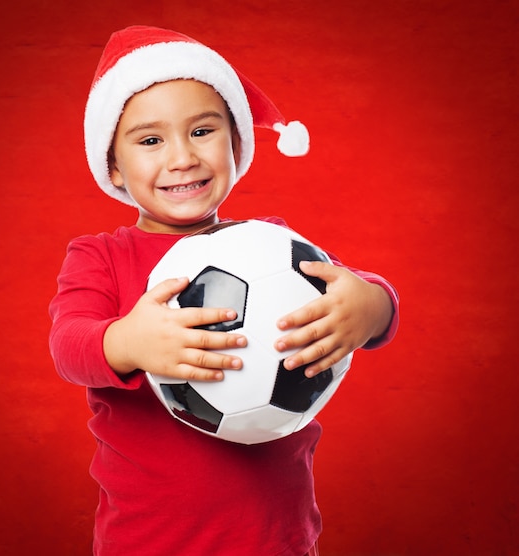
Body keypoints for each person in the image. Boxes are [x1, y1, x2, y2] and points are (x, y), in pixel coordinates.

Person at [49, 25, 399, 556]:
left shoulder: (271, 247)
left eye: (202, 131)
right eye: (150, 140)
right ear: (113, 166)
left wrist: (372, 306)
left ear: (237, 144)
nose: (182, 158)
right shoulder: (100, 255)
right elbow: (69, 346)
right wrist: (129, 343)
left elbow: (348, 286)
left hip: (276, 537)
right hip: (146, 541)